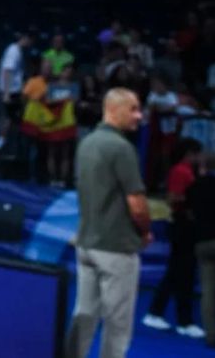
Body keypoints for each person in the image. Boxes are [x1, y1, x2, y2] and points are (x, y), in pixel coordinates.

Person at [65, 88, 151, 358]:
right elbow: (136, 204)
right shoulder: (122, 148)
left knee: (84, 312)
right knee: (117, 323)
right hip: (115, 247)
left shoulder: (86, 143)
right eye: (134, 109)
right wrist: (145, 232)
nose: (139, 116)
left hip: (87, 243)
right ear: (114, 109)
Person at [143, 138, 204, 338]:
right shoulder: (182, 171)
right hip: (182, 227)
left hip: (185, 227)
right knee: (181, 272)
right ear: (190, 154)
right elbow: (173, 197)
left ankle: (164, 314)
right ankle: (180, 319)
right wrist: (195, 197)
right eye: (197, 153)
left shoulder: (188, 172)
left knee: (179, 273)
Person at [188, 151, 215, 349]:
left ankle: (212, 335)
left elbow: (189, 212)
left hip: (202, 243)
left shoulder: (194, 188)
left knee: (208, 292)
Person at [0, 33, 31, 153]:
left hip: (15, 91)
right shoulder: (13, 51)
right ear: (24, 38)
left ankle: (8, 147)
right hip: (10, 92)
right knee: (8, 120)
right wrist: (6, 94)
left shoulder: (18, 51)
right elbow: (7, 71)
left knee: (13, 120)